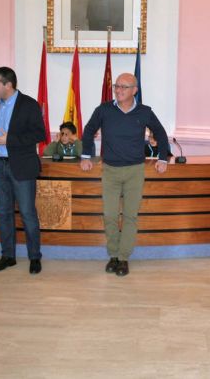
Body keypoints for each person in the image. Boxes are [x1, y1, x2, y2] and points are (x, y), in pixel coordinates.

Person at [80, 73, 169, 277]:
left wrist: (162, 158)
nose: (118, 90)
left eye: (124, 87)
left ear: (134, 90)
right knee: (110, 215)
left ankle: (123, 258)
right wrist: (86, 155)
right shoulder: (104, 110)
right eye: (116, 86)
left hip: (134, 172)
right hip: (110, 171)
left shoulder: (144, 112)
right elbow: (88, 130)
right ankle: (113, 254)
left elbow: (161, 133)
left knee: (130, 216)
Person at [0, 67, 46, 274]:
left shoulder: (29, 105)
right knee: (3, 213)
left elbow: (39, 134)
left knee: (28, 214)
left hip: (21, 166)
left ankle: (34, 257)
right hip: (0, 165)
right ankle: (8, 255)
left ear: (7, 85)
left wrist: (9, 139)